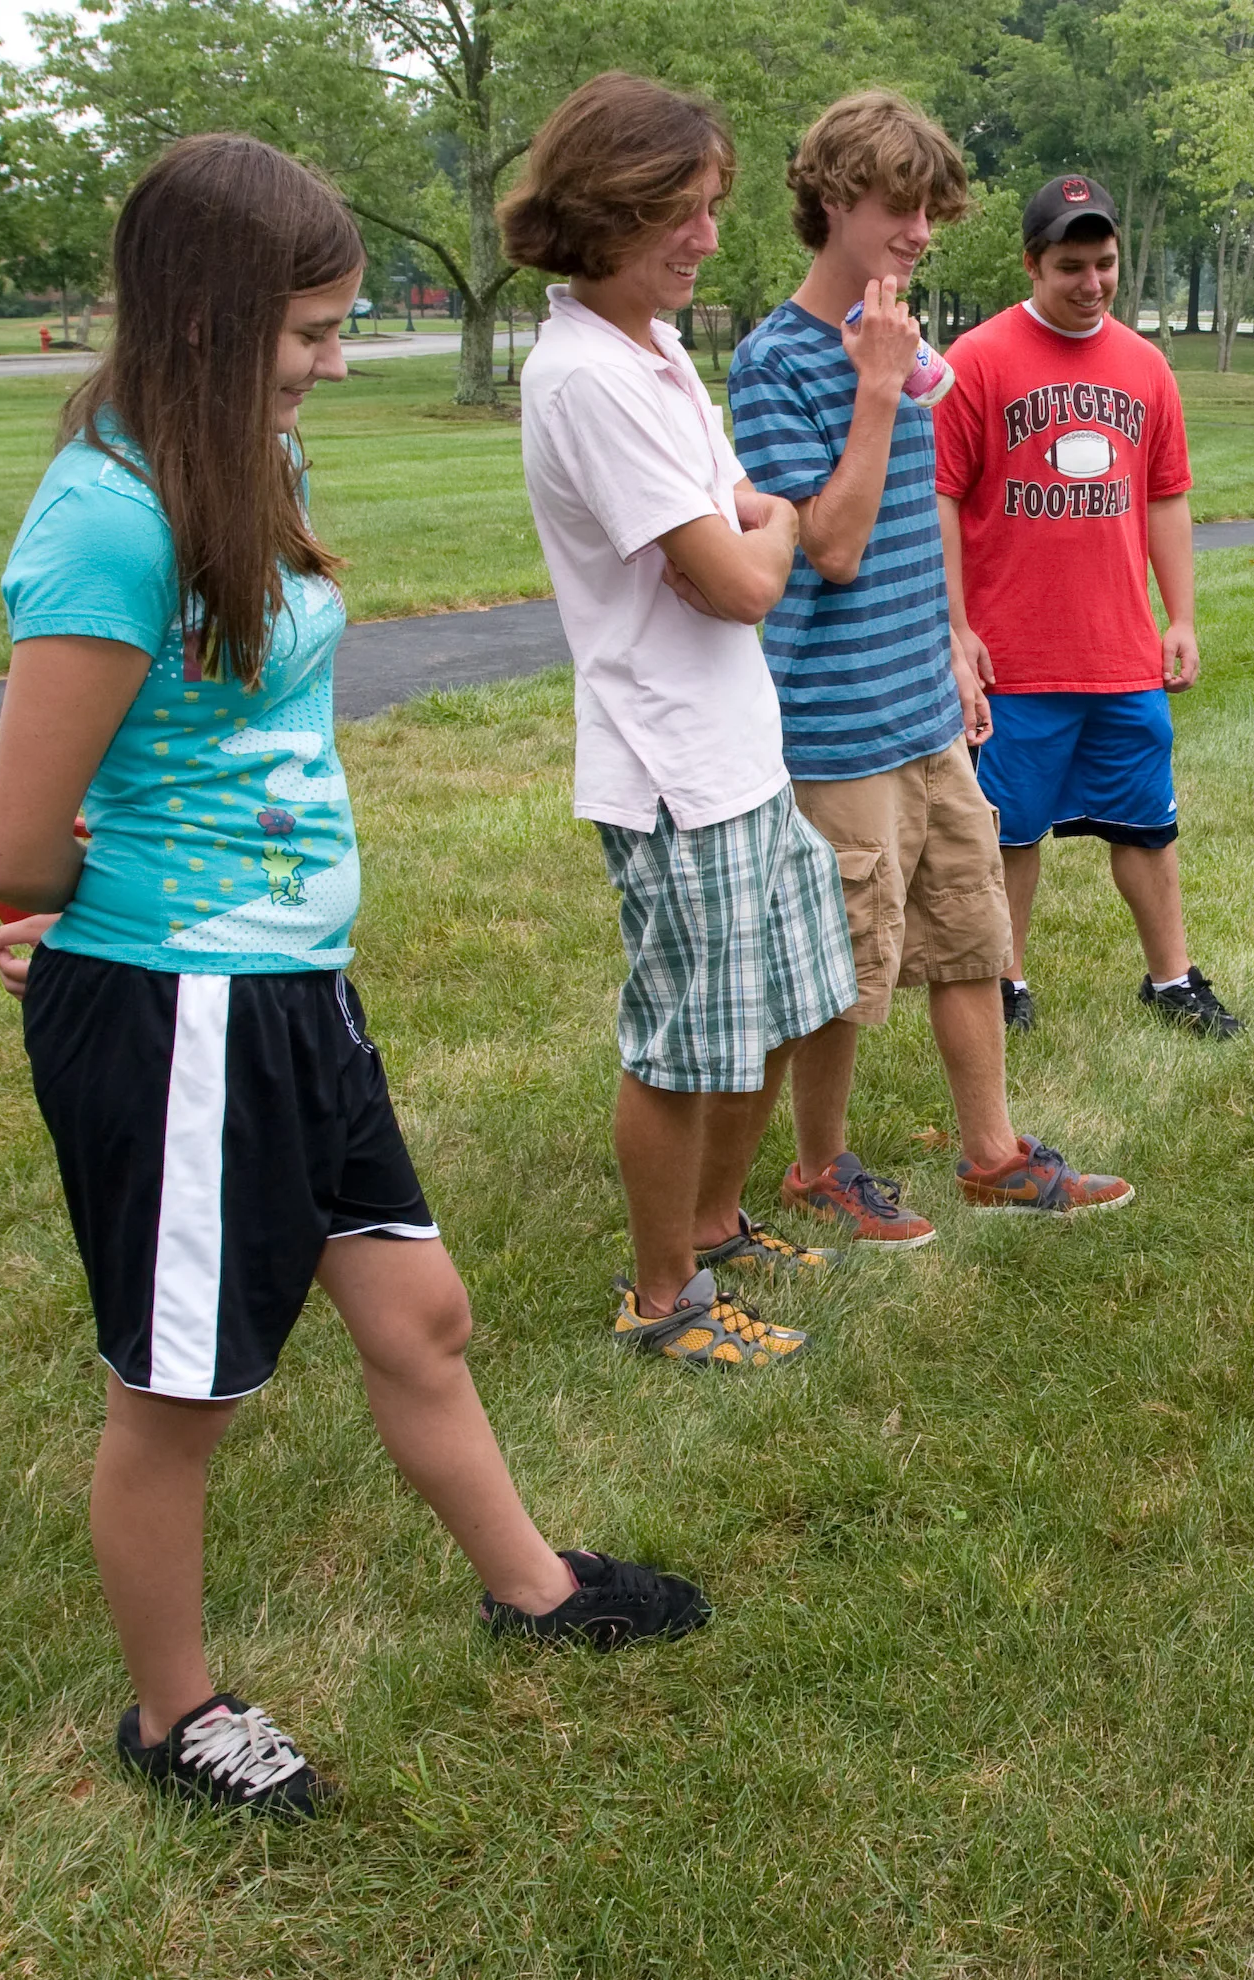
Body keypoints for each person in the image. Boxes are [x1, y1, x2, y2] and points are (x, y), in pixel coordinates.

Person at [0, 134, 710, 1820]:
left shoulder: (244, 467)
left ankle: (534, 1589)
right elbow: (11, 846)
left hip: (288, 988)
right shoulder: (110, 513)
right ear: (208, 321)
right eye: (310, 329)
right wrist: (107, 941)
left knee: (419, 1312)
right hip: (184, 1009)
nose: (333, 358)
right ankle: (175, 1718)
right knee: (180, 1395)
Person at [724, 94, 1133, 1247]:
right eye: (900, 209)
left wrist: (953, 641)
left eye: (930, 213)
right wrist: (872, 382)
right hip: (837, 725)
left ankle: (994, 1154)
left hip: (924, 708)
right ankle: (818, 1169)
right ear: (834, 201)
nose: (918, 232)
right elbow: (832, 544)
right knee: (845, 971)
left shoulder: (897, 342)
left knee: (969, 934)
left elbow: (918, 517)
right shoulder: (778, 363)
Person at [506, 75, 861, 1359]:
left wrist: (758, 524)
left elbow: (753, 510)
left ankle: (718, 1222)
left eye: (711, 206)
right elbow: (737, 578)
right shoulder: (586, 379)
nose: (711, 236)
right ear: (606, 210)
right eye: (684, 212)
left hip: (741, 753)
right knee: (679, 1044)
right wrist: (762, 534)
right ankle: (665, 1303)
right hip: (671, 766)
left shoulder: (652, 350)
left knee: (779, 1005)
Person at [934, 175, 1243, 1042]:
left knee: (1147, 823)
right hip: (1015, 655)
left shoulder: (1145, 368)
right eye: (1071, 266)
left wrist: (1178, 618)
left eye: (1105, 264)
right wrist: (957, 631)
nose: (1093, 283)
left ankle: (1172, 979)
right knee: (1011, 832)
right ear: (1032, 263)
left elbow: (1166, 496)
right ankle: (1004, 982)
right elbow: (941, 500)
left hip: (1119, 652)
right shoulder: (978, 361)